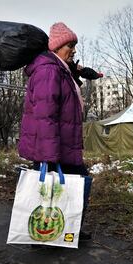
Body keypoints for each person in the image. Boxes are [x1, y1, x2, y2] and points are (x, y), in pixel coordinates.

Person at [18, 22, 92, 240]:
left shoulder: (59, 69)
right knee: (61, 189)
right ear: (57, 47)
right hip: (52, 147)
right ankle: (44, 237)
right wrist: (49, 156)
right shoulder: (49, 70)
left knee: (68, 188)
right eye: (70, 45)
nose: (74, 50)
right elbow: (45, 115)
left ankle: (66, 230)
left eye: (75, 45)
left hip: (62, 144)